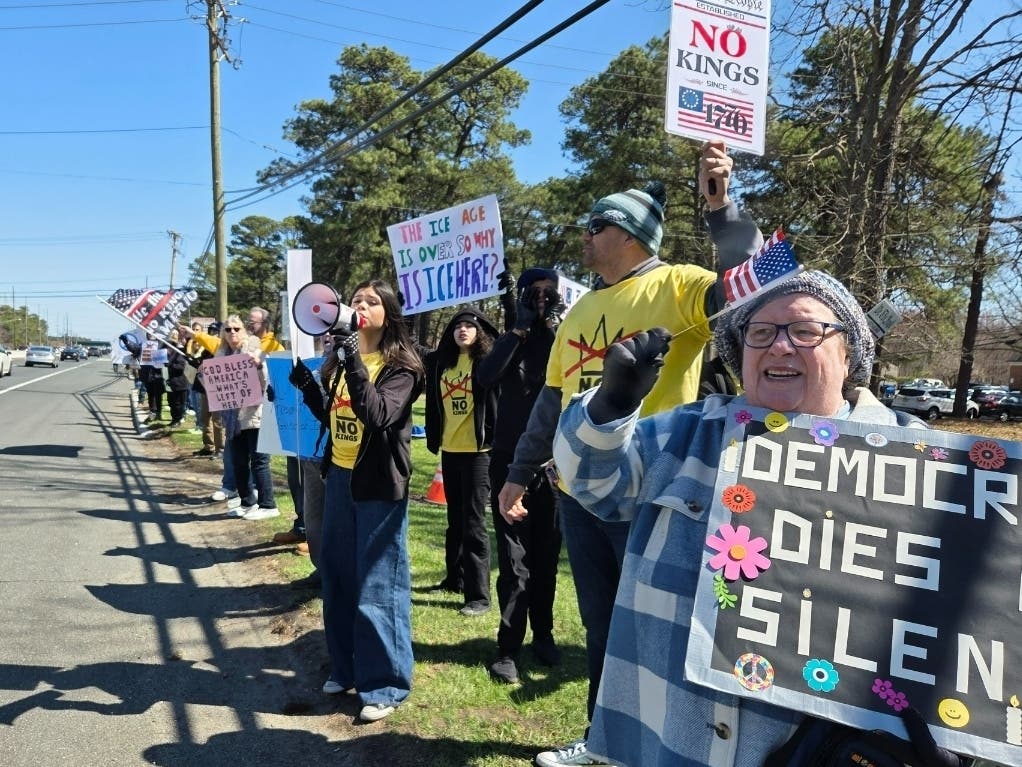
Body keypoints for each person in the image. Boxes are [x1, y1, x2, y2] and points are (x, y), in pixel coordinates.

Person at [551, 271, 933, 767]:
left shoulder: (920, 463)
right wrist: (610, 407)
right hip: (668, 742)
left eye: (804, 332)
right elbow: (589, 480)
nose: (779, 347)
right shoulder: (687, 434)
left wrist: (957, 730)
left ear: (849, 354)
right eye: (759, 332)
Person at [498, 140, 763, 766]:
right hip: (578, 495)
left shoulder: (677, 285)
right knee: (603, 629)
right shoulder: (580, 309)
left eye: (596, 226)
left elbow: (758, 284)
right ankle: (603, 744)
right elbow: (551, 401)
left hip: (657, 494)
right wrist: (517, 473)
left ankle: (665, 749)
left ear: (630, 234)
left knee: (660, 632)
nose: (583, 238)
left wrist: (723, 211)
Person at [315, 278, 424, 723]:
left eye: (371, 301)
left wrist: (354, 361)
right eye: (355, 299)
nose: (360, 305)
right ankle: (345, 668)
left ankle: (386, 684)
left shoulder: (404, 366)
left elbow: (378, 413)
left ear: (389, 312)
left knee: (379, 585)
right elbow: (338, 414)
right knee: (337, 576)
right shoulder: (342, 359)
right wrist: (312, 386)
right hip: (341, 476)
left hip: (379, 485)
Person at [476, 268, 565, 683]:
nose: (543, 299)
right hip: (509, 462)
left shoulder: (565, 337)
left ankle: (543, 635)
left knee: (547, 556)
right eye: (536, 292)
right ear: (524, 295)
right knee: (515, 562)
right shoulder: (512, 338)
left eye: (551, 292)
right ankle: (508, 647)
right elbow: (484, 376)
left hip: (555, 464)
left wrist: (558, 326)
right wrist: (518, 329)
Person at [423, 307, 499, 616]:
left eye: (469, 325)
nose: (463, 329)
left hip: (479, 454)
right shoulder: (441, 363)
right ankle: (454, 578)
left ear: (479, 331)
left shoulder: (487, 363)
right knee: (454, 521)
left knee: (473, 523)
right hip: (450, 450)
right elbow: (409, 345)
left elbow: (507, 340)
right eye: (457, 326)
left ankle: (479, 596)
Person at [214, 316, 279, 520]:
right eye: (228, 329)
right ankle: (247, 502)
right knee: (239, 462)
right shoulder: (222, 354)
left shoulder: (254, 349)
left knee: (259, 461)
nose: (232, 332)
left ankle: (268, 504)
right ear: (223, 333)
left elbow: (265, 382)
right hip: (233, 417)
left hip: (254, 414)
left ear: (244, 331)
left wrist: (258, 366)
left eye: (236, 328)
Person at [163, 330, 190, 428]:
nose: (169, 345)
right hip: (170, 381)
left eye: (171, 343)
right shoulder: (165, 353)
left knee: (178, 403)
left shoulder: (179, 352)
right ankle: (173, 419)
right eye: (168, 343)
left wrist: (169, 365)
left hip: (180, 382)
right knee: (171, 402)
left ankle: (178, 419)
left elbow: (182, 367)